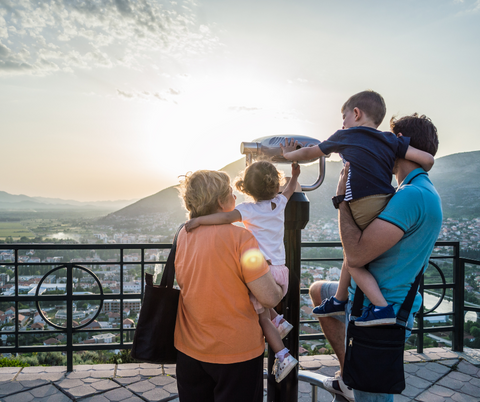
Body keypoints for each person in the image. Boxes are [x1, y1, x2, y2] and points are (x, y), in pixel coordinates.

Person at [310, 113, 442, 401]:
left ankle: (353, 382)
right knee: (319, 291)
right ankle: (348, 377)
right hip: (367, 300)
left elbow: (355, 253)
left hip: (381, 314)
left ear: (400, 145)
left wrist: (342, 200)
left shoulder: (412, 196)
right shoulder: (413, 190)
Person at [281, 90, 435, 326]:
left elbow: (311, 152)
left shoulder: (346, 136)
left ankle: (382, 308)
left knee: (354, 256)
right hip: (386, 198)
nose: (342, 124)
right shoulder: (389, 140)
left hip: (363, 204)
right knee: (351, 255)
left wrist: (288, 154)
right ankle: (340, 299)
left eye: (344, 118)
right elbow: (427, 159)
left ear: (356, 113)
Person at [184, 161, 300, 383]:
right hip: (280, 269)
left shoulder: (186, 234)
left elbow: (225, 218)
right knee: (261, 305)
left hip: (196, 344)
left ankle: (283, 354)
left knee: (261, 317)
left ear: (246, 189)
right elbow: (290, 189)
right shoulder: (279, 203)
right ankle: (280, 323)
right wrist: (294, 175)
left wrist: (198, 221)